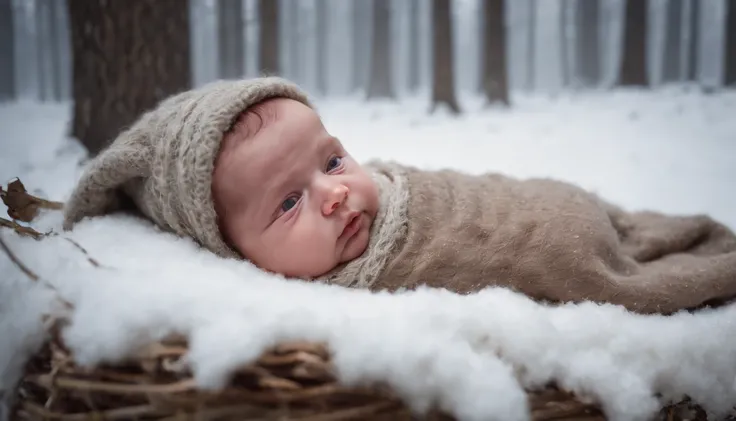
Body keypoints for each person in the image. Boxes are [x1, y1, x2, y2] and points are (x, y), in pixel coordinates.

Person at [62, 77, 736, 315]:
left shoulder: (371, 193)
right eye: (288, 203)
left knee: (630, 239)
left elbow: (461, 195)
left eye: (331, 160)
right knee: (593, 260)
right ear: (227, 246)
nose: (334, 194)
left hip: (553, 207)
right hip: (562, 241)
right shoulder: (312, 302)